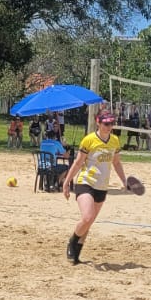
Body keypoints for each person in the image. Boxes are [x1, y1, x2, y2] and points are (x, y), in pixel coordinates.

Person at [62, 111, 130, 265]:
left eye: (111, 123)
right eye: (106, 123)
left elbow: (116, 163)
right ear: (98, 123)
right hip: (86, 182)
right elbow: (78, 163)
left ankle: (76, 255)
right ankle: (72, 241)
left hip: (102, 186)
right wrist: (66, 182)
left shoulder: (114, 141)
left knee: (89, 222)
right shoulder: (89, 140)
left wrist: (124, 180)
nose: (109, 126)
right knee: (87, 217)